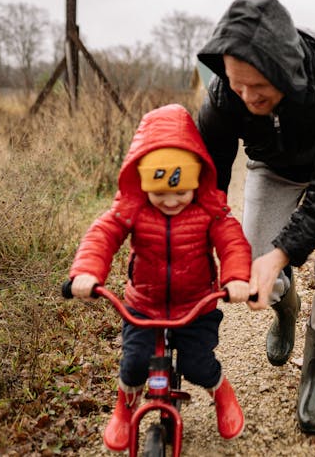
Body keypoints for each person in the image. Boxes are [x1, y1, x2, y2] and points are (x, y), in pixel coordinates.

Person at [196, 0, 315, 433]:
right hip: (271, 168)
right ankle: (285, 310)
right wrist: (197, 247)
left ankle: (314, 377)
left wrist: (284, 252)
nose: (247, 96)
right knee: (252, 259)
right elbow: (211, 180)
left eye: (259, 86)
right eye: (238, 85)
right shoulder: (225, 93)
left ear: (285, 70)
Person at [68, 104, 252, 451]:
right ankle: (125, 406)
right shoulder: (132, 207)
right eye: (160, 193)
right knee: (134, 363)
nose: (171, 201)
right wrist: (88, 272)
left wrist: (237, 277)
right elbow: (102, 235)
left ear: (196, 178)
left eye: (180, 192)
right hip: (144, 306)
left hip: (196, 305)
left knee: (199, 364)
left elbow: (231, 240)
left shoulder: (207, 209)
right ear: (142, 181)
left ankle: (221, 391)